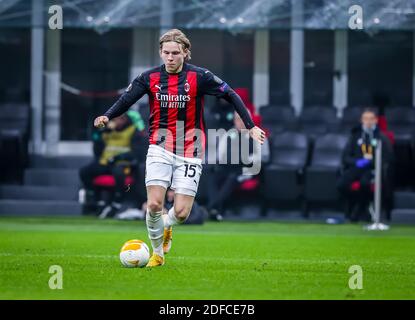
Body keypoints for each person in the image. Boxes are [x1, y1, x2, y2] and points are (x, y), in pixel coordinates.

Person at [93, 29, 265, 267]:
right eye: (166, 53)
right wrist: (107, 115)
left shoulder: (201, 77)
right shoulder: (149, 78)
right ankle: (157, 255)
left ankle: (167, 227)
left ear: (186, 53)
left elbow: (231, 94)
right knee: (154, 204)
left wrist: (251, 126)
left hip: (191, 149)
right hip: (159, 146)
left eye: (175, 52)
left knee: (182, 213)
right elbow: (126, 99)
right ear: (160, 53)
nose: (171, 57)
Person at [80, 111, 147, 218]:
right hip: (106, 162)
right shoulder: (107, 131)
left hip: (123, 163)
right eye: (114, 119)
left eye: (118, 119)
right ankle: (96, 200)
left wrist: (119, 157)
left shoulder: (133, 130)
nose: (115, 122)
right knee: (85, 172)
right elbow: (97, 148)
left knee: (119, 172)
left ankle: (117, 201)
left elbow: (137, 152)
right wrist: (101, 131)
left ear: (124, 120)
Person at [205, 112, 269, 220]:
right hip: (228, 166)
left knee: (232, 177)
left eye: (242, 119)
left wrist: (246, 158)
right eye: (237, 119)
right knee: (213, 176)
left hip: (247, 169)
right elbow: (220, 155)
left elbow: (264, 156)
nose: (239, 122)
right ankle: (215, 210)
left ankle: (211, 208)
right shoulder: (228, 134)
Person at [337, 108, 394, 222]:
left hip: (372, 169)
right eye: (366, 119)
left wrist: (371, 162)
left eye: (371, 119)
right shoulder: (355, 136)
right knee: (341, 184)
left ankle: (359, 210)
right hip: (357, 167)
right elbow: (345, 157)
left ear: (376, 120)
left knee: (364, 183)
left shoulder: (381, 137)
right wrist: (357, 162)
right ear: (361, 120)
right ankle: (359, 205)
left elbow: (387, 158)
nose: (368, 121)